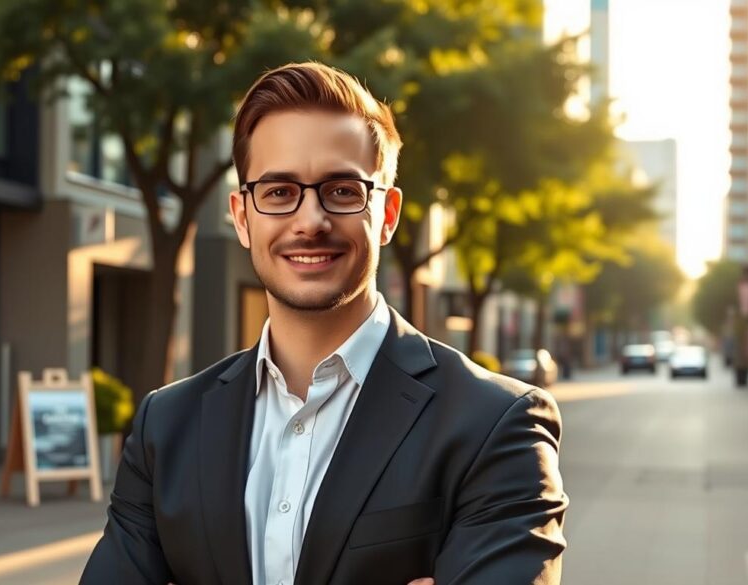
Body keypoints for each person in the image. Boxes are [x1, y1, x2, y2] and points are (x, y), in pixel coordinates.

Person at [81, 61, 568, 585]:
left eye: (341, 190)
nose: (310, 221)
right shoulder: (166, 426)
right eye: (277, 191)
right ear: (242, 217)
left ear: (386, 214)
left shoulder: (496, 424)